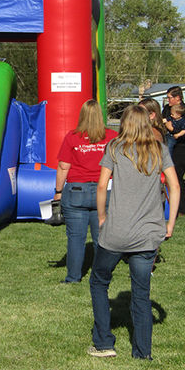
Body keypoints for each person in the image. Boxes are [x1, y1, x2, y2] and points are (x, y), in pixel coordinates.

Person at [89, 104, 180, 360]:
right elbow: (175, 186)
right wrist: (169, 222)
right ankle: (142, 353)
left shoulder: (115, 149)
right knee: (141, 294)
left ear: (125, 124)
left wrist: (102, 216)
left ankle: (104, 343)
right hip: (147, 235)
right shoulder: (159, 150)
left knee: (98, 281)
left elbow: (100, 186)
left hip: (116, 232)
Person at [54, 99, 118, 283]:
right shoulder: (112, 136)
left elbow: (63, 166)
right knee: (102, 237)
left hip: (76, 191)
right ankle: (101, 276)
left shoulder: (72, 137)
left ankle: (73, 277)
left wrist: (58, 191)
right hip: (104, 190)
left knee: (76, 237)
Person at [161, 86, 185, 215]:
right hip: (167, 144)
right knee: (165, 176)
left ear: (178, 98)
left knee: (178, 175)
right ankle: (166, 205)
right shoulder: (167, 110)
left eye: (170, 97)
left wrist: (172, 130)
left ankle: (181, 209)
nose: (168, 100)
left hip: (181, 147)